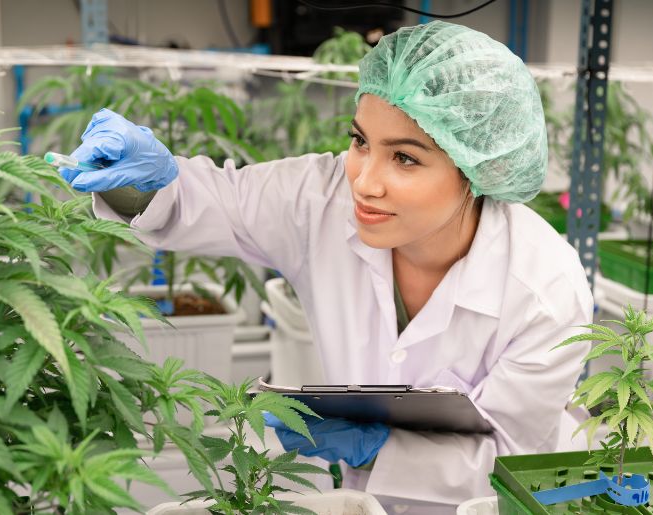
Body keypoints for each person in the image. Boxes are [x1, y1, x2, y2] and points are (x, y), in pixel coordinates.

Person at [59, 21, 592, 509]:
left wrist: (373, 448)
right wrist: (142, 179)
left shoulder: (545, 287)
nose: (363, 181)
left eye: (405, 158)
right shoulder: (319, 197)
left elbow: (517, 464)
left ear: (480, 171)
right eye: (361, 141)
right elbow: (208, 202)